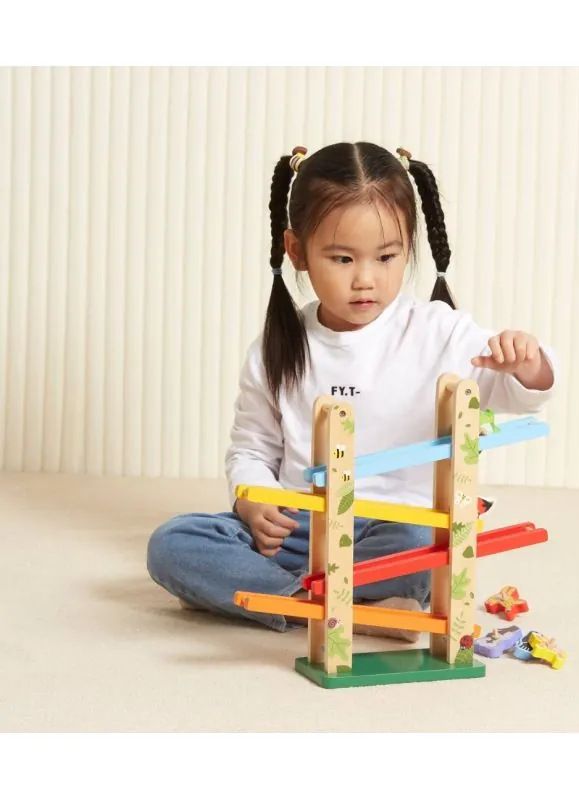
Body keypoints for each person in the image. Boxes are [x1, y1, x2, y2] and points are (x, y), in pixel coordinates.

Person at [147, 141, 557, 641]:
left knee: (427, 541)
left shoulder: (438, 331)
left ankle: (291, 598)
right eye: (342, 258)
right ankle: (339, 606)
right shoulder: (277, 348)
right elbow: (252, 448)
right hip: (301, 531)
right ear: (296, 251)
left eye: (387, 257)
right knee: (173, 543)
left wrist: (528, 364)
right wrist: (255, 501)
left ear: (409, 247)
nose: (366, 279)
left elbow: (517, 390)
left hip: (393, 529)